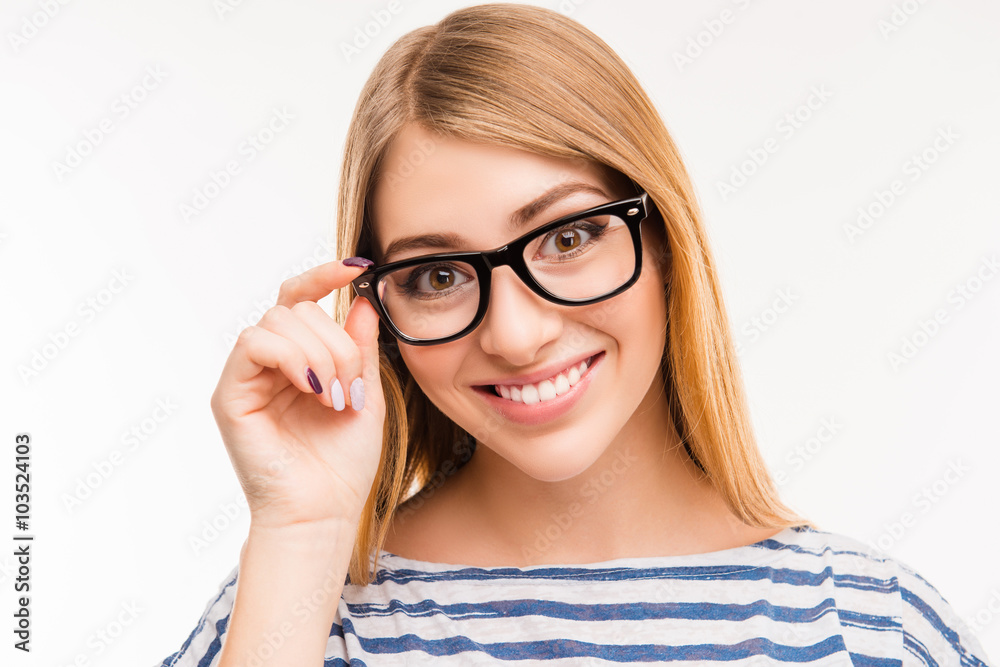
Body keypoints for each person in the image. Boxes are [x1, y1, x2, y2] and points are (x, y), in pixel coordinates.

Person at [157, 4, 992, 666]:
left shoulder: (869, 627)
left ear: (663, 236)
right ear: (377, 310)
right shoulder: (291, 607)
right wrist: (298, 539)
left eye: (566, 236)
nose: (516, 335)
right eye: (438, 276)